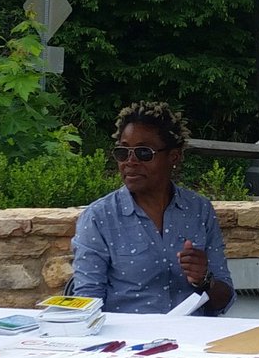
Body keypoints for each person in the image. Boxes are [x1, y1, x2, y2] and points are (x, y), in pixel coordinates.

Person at [71, 101, 235, 315]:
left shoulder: (199, 211)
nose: (130, 162)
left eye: (143, 153)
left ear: (173, 156)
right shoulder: (99, 218)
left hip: (191, 339)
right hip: (127, 341)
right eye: (123, 152)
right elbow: (87, 303)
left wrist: (204, 279)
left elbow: (224, 300)